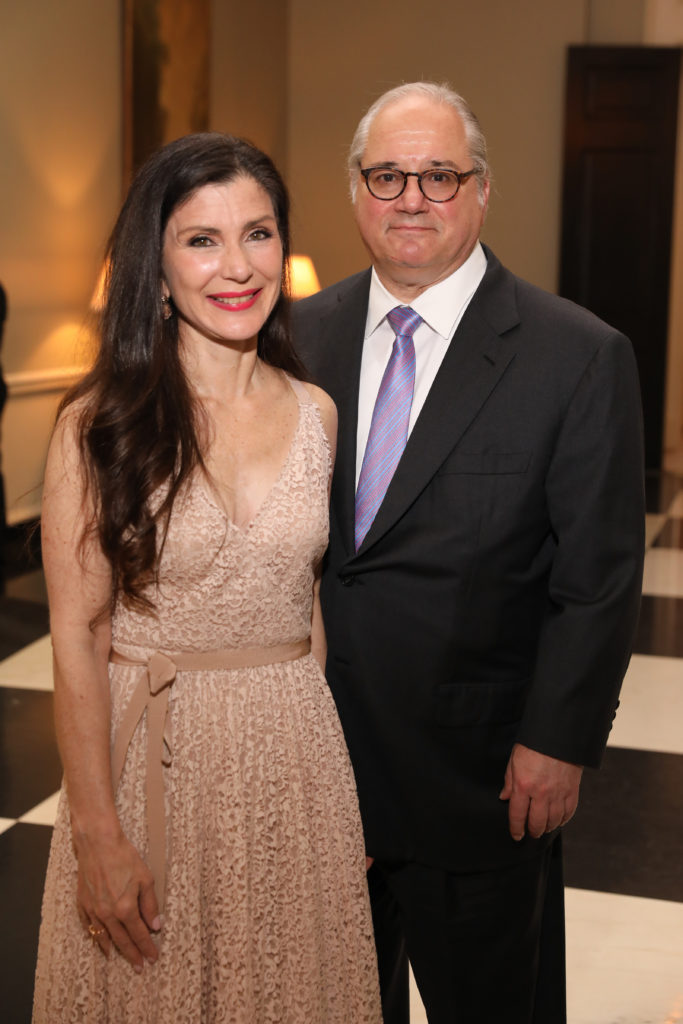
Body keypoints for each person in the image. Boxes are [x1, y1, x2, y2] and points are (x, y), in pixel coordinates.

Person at [292, 81, 645, 1024]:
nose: (411, 197)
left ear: (481, 191)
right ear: (356, 193)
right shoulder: (293, 338)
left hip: (484, 781)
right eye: (388, 175)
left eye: (439, 175)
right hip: (317, 771)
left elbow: (598, 579)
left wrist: (556, 742)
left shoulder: (576, 354)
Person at [33, 133, 382, 1023]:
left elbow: (306, 607)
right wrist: (95, 831)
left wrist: (333, 797)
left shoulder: (316, 414)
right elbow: (76, 636)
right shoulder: (96, 425)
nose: (238, 266)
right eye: (202, 239)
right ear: (155, 266)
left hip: (291, 762)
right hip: (157, 759)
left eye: (258, 234)